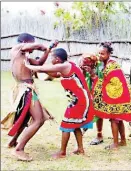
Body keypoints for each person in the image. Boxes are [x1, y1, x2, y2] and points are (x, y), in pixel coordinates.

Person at [25, 48, 94, 158]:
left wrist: (27, 65)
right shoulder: (67, 65)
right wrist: (40, 69)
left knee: (66, 124)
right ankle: (80, 149)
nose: (51, 60)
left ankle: (62, 152)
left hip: (79, 100)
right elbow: (56, 74)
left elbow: (42, 68)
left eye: (52, 58)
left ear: (57, 59)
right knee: (75, 124)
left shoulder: (65, 66)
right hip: (78, 99)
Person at [1, 33, 58, 161]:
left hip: (27, 89)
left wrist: (48, 50)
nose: (33, 46)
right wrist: (45, 45)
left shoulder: (24, 56)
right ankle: (19, 149)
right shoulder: (16, 49)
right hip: (26, 90)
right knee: (39, 119)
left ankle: (13, 142)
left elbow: (39, 64)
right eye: (31, 43)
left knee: (25, 118)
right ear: (25, 42)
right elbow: (36, 46)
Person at [88, 42, 131, 150]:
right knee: (119, 118)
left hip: (117, 95)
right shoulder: (104, 64)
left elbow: (107, 82)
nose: (100, 56)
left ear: (109, 54)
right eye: (99, 53)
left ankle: (115, 144)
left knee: (113, 119)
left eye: (102, 54)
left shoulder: (112, 66)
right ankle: (123, 141)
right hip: (120, 95)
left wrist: (93, 76)